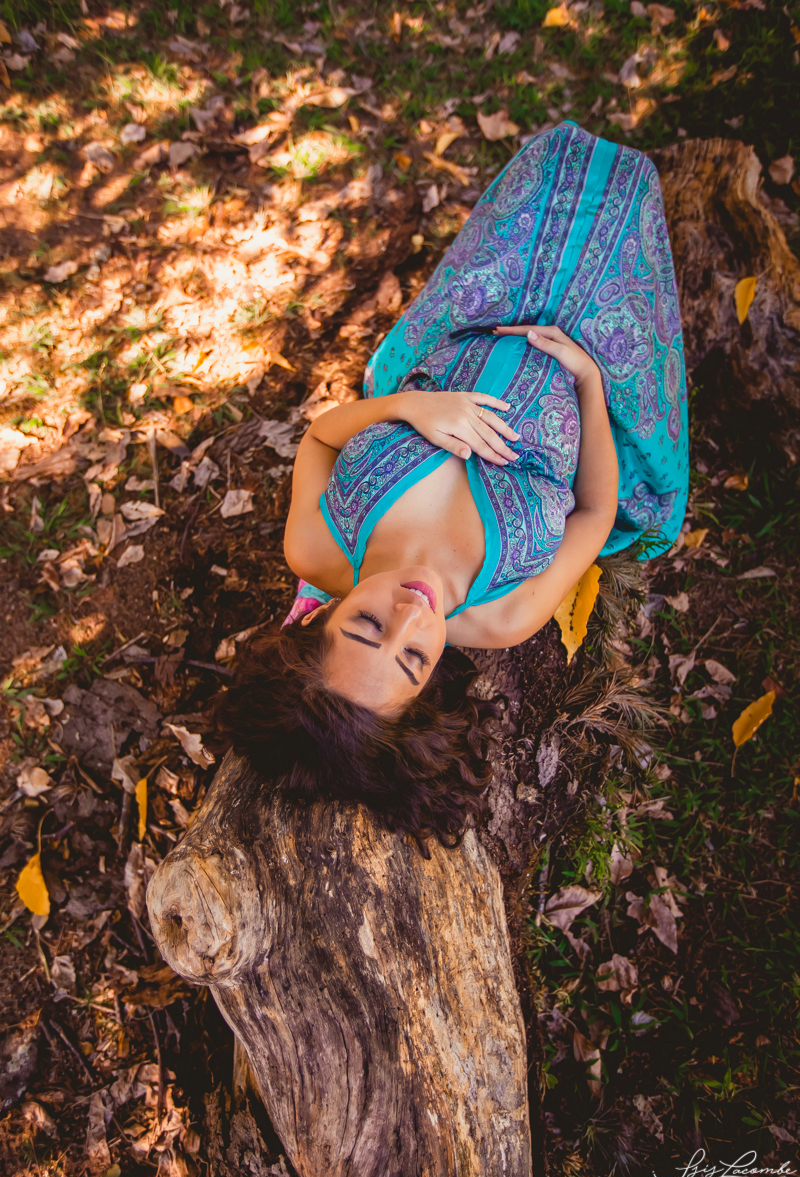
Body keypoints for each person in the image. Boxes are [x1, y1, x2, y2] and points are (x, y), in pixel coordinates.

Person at [212, 122, 689, 851]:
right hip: (591, 348)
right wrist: (591, 383)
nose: (412, 615)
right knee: (630, 193)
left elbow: (321, 437)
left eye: (366, 627)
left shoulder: (315, 546)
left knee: (556, 157)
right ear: (432, 684)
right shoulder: (503, 617)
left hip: (477, 307)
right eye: (413, 659)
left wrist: (411, 407)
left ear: (320, 617)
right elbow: (596, 514)